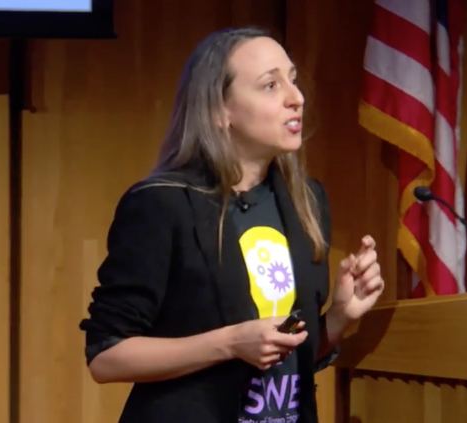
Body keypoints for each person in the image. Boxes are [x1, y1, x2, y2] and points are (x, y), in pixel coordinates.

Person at [79, 26, 385, 423]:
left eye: (292, 80)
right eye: (270, 85)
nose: (297, 98)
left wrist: (341, 315)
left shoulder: (307, 202)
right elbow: (106, 357)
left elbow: (290, 357)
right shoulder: (162, 203)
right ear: (219, 111)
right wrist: (229, 343)